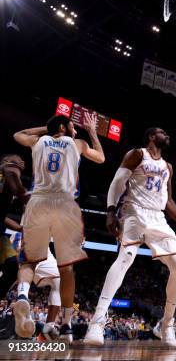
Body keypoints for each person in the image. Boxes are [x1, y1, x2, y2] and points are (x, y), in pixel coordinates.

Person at [84, 127, 176, 348]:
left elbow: (168, 201)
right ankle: (97, 321)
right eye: (162, 132)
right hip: (133, 210)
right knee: (125, 257)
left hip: (157, 217)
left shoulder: (168, 166)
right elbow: (117, 182)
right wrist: (111, 210)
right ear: (151, 136)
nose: (166, 134)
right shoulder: (137, 154)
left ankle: (166, 324)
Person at [13, 113, 105, 342]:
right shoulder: (78, 143)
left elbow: (18, 135)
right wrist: (92, 131)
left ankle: (23, 295)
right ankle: (65, 324)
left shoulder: (38, 141)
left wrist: (46, 128)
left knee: (29, 261)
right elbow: (102, 158)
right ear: (64, 128)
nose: (77, 130)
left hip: (39, 201)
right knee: (66, 269)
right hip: (65, 205)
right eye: (73, 127)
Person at [7, 217, 61, 340]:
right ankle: (46, 327)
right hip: (28, 238)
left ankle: (24, 306)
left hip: (33, 243)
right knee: (58, 283)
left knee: (58, 281)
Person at [0, 154, 28, 299]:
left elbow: (3, 217)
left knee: (12, 268)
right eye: (18, 158)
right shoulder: (7, 169)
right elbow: (19, 190)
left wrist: (20, 228)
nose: (22, 161)